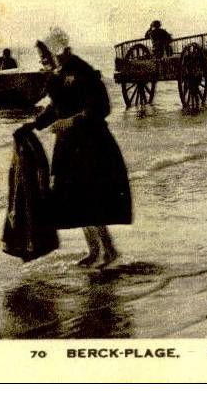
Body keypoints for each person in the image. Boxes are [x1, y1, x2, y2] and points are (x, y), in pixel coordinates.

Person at [15, 35, 131, 267]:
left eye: (46, 56)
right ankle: (94, 250)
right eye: (42, 58)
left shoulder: (82, 72)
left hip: (91, 145)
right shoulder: (60, 74)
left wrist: (68, 123)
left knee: (90, 199)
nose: (44, 61)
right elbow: (56, 107)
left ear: (58, 52)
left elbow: (100, 109)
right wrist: (35, 124)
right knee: (77, 200)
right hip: (69, 147)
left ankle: (109, 251)